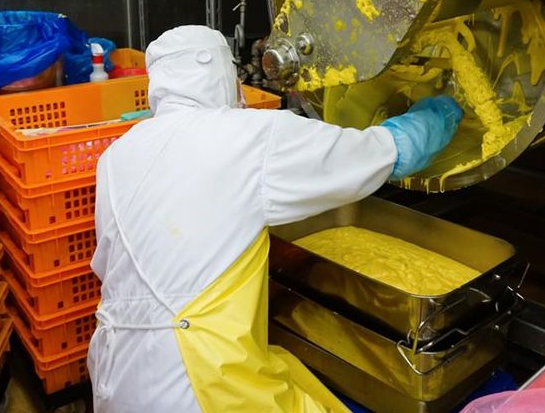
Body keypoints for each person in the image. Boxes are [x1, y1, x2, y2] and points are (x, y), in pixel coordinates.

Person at [87, 25, 462, 412]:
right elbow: (385, 152)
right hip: (198, 380)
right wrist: (446, 110)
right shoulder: (246, 136)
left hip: (116, 373)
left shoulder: (116, 156)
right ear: (221, 74)